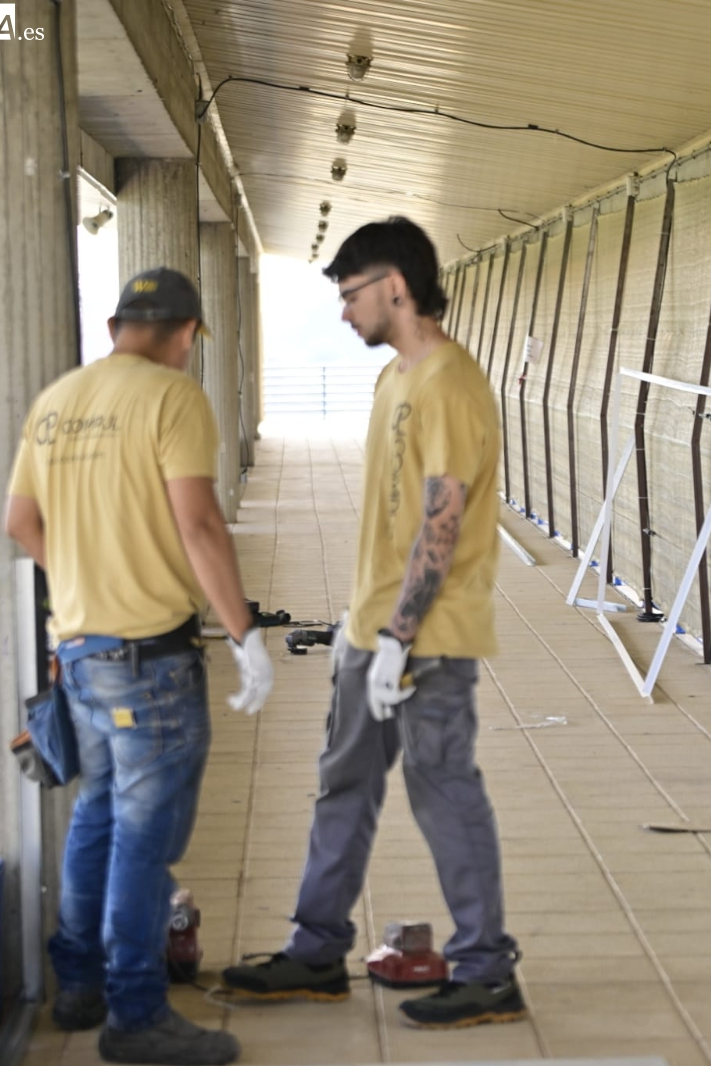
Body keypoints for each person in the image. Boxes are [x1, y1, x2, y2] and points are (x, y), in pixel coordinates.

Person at [221, 218, 524, 1029]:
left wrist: (400, 636)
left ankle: (488, 970)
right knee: (342, 785)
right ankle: (317, 952)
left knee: (444, 790)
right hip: (369, 629)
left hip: (427, 637)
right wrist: (369, 632)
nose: (345, 312)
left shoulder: (450, 384)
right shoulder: (395, 379)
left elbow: (443, 520)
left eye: (351, 296)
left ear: (396, 288)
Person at [5, 267, 274, 1065]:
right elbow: (197, 522)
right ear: (187, 332)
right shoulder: (172, 398)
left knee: (100, 812)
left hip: (81, 652)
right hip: (149, 659)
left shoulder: (57, 403)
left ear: (122, 324)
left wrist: (87, 583)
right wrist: (244, 632)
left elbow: (21, 522)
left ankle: (78, 982)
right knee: (145, 838)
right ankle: (135, 1013)